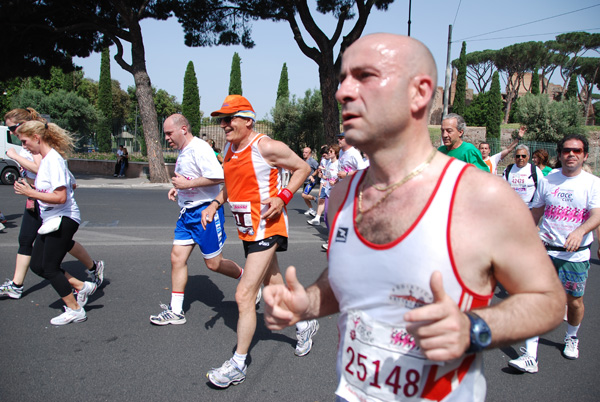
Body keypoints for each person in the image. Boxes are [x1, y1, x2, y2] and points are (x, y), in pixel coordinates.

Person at [263, 33, 564, 401]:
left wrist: (474, 328)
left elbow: (548, 300)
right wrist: (307, 303)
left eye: (365, 76)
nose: (342, 92)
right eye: (343, 79)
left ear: (419, 93)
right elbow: (355, 282)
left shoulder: (482, 198)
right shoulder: (342, 194)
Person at [202, 95, 319, 388]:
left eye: (229, 119)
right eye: (221, 120)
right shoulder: (230, 148)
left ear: (248, 120)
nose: (224, 125)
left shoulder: (265, 146)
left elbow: (303, 169)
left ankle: (238, 364)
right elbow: (232, 185)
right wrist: (216, 203)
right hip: (247, 229)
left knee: (244, 294)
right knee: (274, 285)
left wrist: (283, 197)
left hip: (268, 226)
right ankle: (305, 324)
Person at [508, 134, 600, 373]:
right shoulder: (548, 180)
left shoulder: (592, 183)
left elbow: (597, 215)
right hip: (545, 250)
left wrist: (580, 232)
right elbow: (537, 210)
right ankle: (530, 357)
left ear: (585, 155)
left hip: (575, 256)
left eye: (577, 151)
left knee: (574, 302)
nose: (571, 154)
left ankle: (572, 336)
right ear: (559, 155)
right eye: (567, 150)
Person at [149, 114, 246, 325]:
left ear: (183, 129)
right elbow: (189, 178)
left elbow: (220, 176)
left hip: (205, 212)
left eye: (169, 133)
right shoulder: (184, 151)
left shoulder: (199, 148)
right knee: (177, 258)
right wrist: (178, 190)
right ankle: (176, 311)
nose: (166, 138)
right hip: (187, 214)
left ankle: (246, 278)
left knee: (213, 264)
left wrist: (187, 185)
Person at [1, 108, 104, 301]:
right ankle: (19, 284)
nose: (12, 133)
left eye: (14, 128)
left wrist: (17, 159)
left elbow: (47, 174)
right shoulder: (33, 145)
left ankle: (85, 282)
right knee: (35, 251)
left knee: (50, 259)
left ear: (30, 130)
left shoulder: (43, 152)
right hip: (41, 201)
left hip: (53, 207)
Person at [502, 144, 543, 209]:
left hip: (529, 208)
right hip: (511, 207)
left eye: (523, 156)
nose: (520, 158)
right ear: (515, 157)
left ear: (528, 157)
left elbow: (541, 189)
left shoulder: (535, 170)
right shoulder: (508, 170)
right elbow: (503, 188)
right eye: (518, 156)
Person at [308, 145, 339, 226]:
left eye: (331, 152)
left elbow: (341, 176)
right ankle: (318, 219)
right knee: (326, 213)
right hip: (327, 188)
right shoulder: (329, 163)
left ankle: (334, 232)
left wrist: (335, 182)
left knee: (332, 213)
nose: (329, 153)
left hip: (335, 191)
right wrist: (323, 177)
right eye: (329, 151)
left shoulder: (338, 164)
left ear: (335, 153)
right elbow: (328, 176)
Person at [301, 147, 320, 217]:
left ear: (310, 153)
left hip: (311, 181)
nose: (304, 154)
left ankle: (316, 199)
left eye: (306, 152)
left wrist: (312, 175)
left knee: (304, 194)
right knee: (305, 196)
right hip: (305, 181)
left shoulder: (312, 161)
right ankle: (311, 209)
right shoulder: (303, 161)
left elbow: (318, 169)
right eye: (303, 152)